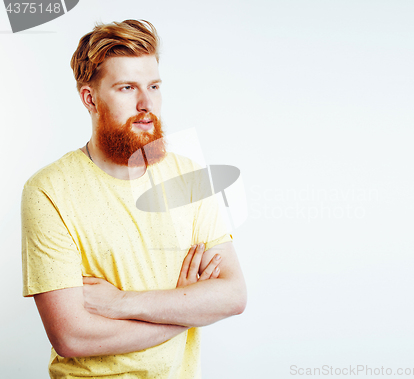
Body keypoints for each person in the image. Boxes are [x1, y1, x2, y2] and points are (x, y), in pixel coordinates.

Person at [21, 19, 246, 378]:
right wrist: (184, 311)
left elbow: (233, 296)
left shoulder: (189, 177)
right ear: (89, 98)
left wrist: (118, 303)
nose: (146, 103)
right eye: (127, 87)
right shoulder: (49, 191)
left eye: (154, 86)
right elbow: (71, 336)